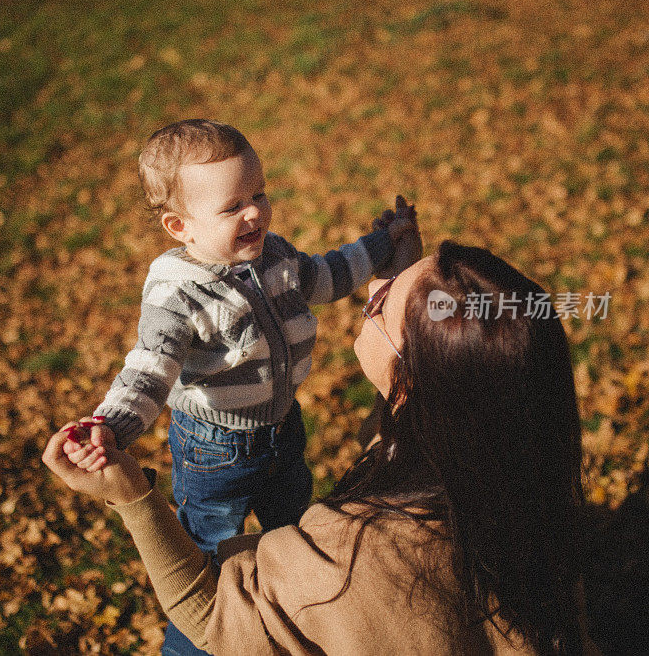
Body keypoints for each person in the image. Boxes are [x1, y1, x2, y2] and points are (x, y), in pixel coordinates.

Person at [45, 237, 598, 655]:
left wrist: (132, 496)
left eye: (383, 304)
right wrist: (404, 262)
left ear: (412, 380)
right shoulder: (519, 458)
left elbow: (211, 613)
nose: (373, 291)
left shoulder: (355, 555)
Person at [62, 119, 417, 653]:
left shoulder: (272, 255)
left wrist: (382, 245)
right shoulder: (176, 292)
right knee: (211, 566)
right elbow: (149, 368)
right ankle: (195, 648)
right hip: (214, 451)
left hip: (281, 430)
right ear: (180, 227)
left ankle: (303, 628)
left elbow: (326, 274)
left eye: (258, 194)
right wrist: (109, 427)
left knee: (296, 539)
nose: (254, 211)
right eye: (233, 207)